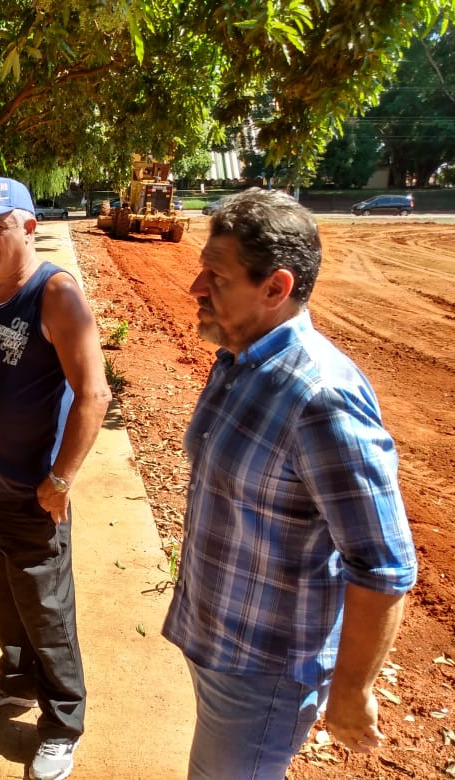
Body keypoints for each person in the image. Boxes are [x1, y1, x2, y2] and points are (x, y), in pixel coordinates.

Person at [162, 188, 417, 779]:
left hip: (264, 671)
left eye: (216, 276)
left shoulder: (319, 399)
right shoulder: (238, 357)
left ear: (275, 287)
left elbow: (383, 564)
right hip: (218, 639)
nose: (197, 288)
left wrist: (352, 690)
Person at [0, 177, 111, 780]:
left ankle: (63, 722)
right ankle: (17, 682)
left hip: (31, 492)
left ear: (29, 227)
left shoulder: (55, 295)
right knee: (0, 597)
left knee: (47, 609)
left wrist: (62, 479)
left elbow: (93, 393)